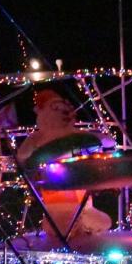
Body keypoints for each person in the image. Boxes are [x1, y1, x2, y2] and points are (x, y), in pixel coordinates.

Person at [15, 89, 111, 237]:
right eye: (55, 108)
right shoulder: (39, 137)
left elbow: (104, 140)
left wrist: (101, 141)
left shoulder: (76, 135)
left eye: (62, 107)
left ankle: (83, 221)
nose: (61, 112)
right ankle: (67, 225)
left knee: (102, 221)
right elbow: (23, 154)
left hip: (80, 187)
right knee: (63, 224)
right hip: (55, 189)